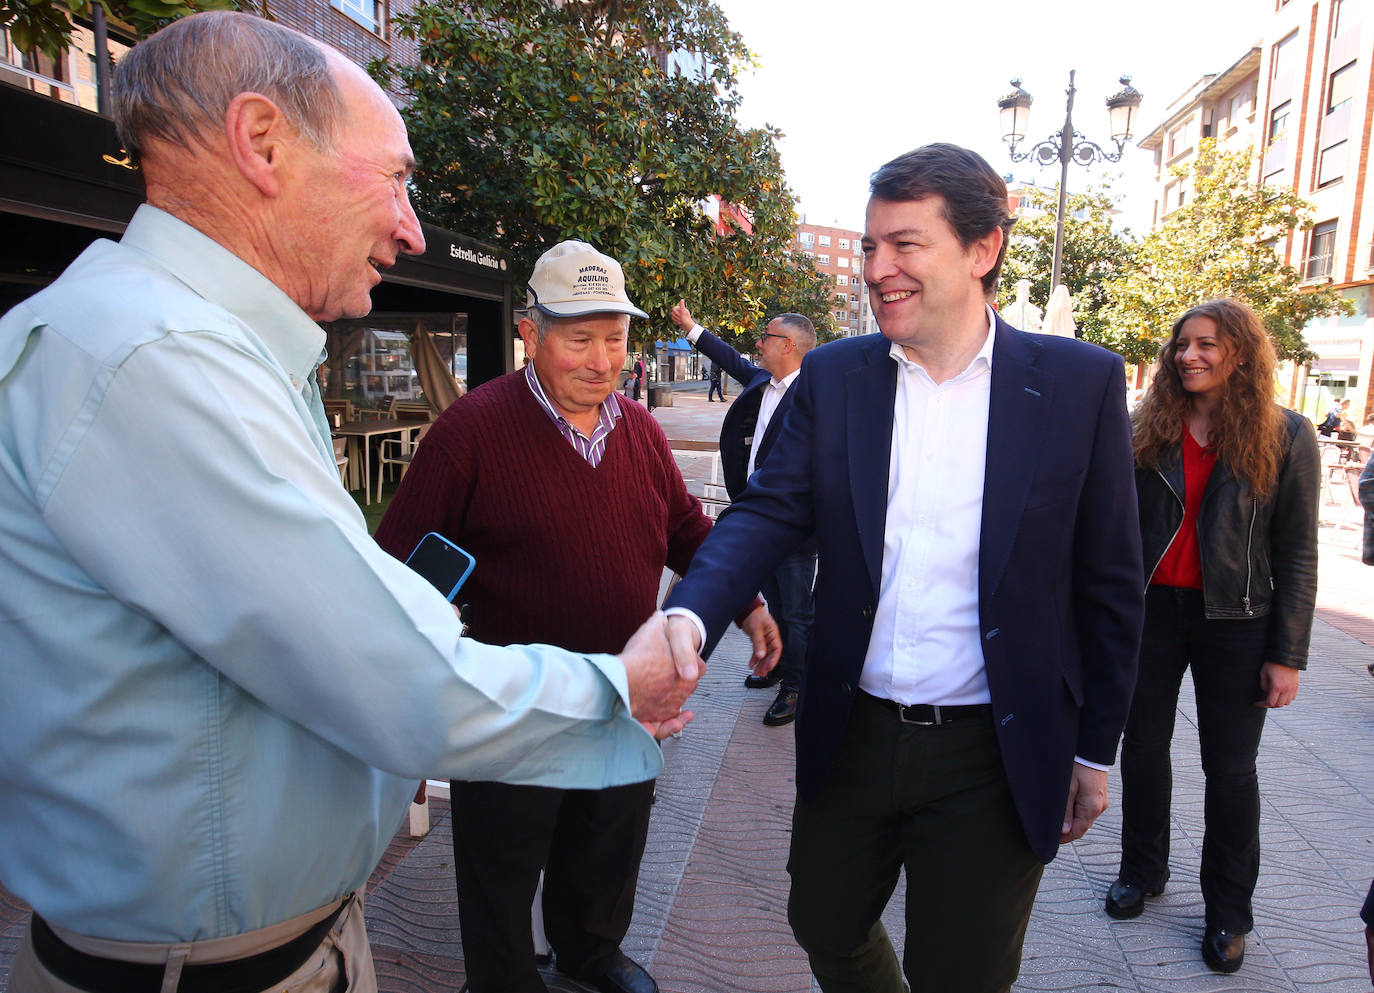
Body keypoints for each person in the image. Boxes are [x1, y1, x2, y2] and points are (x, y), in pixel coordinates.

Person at [0, 14, 698, 993]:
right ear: (263, 143)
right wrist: (617, 689)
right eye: (396, 177)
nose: (411, 228)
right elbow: (390, 670)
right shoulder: (156, 362)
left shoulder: (186, 349)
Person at [661, 143, 1145, 993]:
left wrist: (1095, 751)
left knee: (960, 972)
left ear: (982, 248)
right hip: (854, 727)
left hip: (994, 749)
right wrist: (688, 615)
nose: (877, 268)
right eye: (870, 246)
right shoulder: (835, 376)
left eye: (905, 245)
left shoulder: (1078, 384)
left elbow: (1109, 584)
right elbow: (768, 509)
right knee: (822, 921)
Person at [374, 240, 780, 993]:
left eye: (616, 339)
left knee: (610, 836)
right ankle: (499, 978)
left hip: (628, 696)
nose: (602, 360)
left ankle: (589, 950)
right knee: (501, 851)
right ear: (531, 331)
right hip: (516, 702)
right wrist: (405, 700)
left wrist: (749, 600)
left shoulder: (640, 430)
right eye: (579, 337)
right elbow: (399, 568)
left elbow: (687, 528)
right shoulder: (472, 430)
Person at [1106, 299, 1319, 975]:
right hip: (1152, 612)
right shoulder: (1150, 428)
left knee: (1229, 769)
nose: (1189, 355)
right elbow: (1114, 529)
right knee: (1142, 746)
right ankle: (1143, 868)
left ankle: (1228, 909)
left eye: (1207, 345)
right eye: (1182, 345)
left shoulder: (1287, 433)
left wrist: (1287, 654)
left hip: (1240, 620)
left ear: (1241, 355)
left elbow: (1298, 553)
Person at [671, 299, 817, 726]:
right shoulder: (762, 382)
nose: (758, 343)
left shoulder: (816, 396)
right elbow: (729, 358)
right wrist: (691, 326)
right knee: (771, 600)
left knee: (795, 610)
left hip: (793, 529)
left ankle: (795, 685)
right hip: (755, 519)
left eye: (766, 337)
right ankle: (776, 667)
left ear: (787, 344)